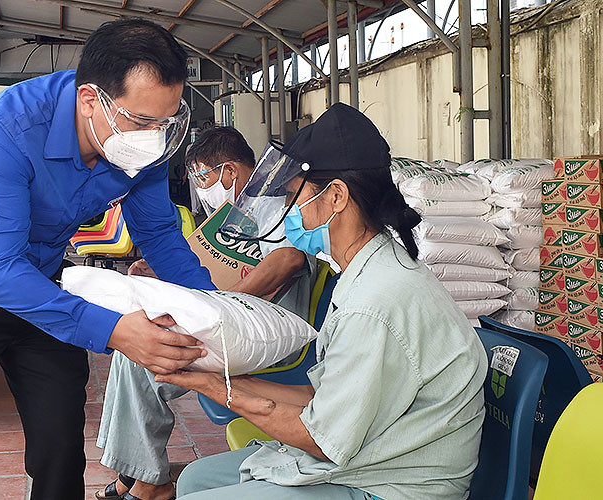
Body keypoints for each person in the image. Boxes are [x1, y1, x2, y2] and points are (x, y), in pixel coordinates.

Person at [0, 19, 215, 500]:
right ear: (90, 100)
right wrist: (115, 331)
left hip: (39, 286)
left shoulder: (143, 139)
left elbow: (159, 231)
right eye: (143, 122)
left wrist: (212, 309)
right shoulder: (12, 126)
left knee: (60, 451)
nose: (154, 136)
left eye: (166, 122)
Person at [156, 104, 487, 500]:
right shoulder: (368, 269)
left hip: (394, 485)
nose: (288, 210)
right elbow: (322, 398)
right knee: (194, 480)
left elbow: (321, 437)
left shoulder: (375, 301)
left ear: (335, 197)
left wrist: (216, 387)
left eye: (295, 195)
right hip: (371, 454)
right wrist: (220, 377)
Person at [96, 127, 313, 500]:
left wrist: (226, 304)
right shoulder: (231, 217)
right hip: (230, 325)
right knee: (133, 344)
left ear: (228, 172)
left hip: (261, 336)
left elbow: (288, 259)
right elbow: (205, 271)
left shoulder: (277, 207)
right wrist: (160, 273)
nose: (200, 188)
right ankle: (132, 474)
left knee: (145, 357)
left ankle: (148, 482)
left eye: (202, 177)